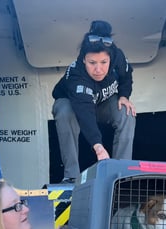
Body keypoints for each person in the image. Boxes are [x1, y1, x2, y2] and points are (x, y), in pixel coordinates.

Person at [52, 20, 136, 183]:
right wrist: (98, 147)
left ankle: (122, 173)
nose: (98, 69)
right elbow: (85, 115)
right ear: (84, 60)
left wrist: (124, 96)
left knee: (127, 111)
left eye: (103, 62)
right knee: (64, 111)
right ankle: (71, 176)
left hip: (103, 102)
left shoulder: (117, 56)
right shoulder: (77, 76)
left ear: (110, 59)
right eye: (92, 63)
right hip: (75, 107)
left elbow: (127, 76)